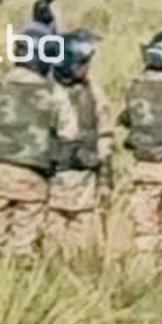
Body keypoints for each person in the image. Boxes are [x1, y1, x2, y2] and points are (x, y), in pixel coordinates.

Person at [0, 30, 68, 261]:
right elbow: (69, 135)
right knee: (25, 248)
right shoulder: (54, 93)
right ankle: (20, 282)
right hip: (33, 177)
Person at [45, 29, 106, 256]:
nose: (87, 68)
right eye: (82, 63)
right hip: (54, 184)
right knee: (52, 247)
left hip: (85, 186)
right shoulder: (47, 93)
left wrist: (105, 179)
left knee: (84, 248)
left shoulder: (93, 92)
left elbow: (105, 135)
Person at [116, 31, 162, 261]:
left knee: (145, 226)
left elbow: (126, 119)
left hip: (146, 165)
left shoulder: (137, 88)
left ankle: (144, 268)